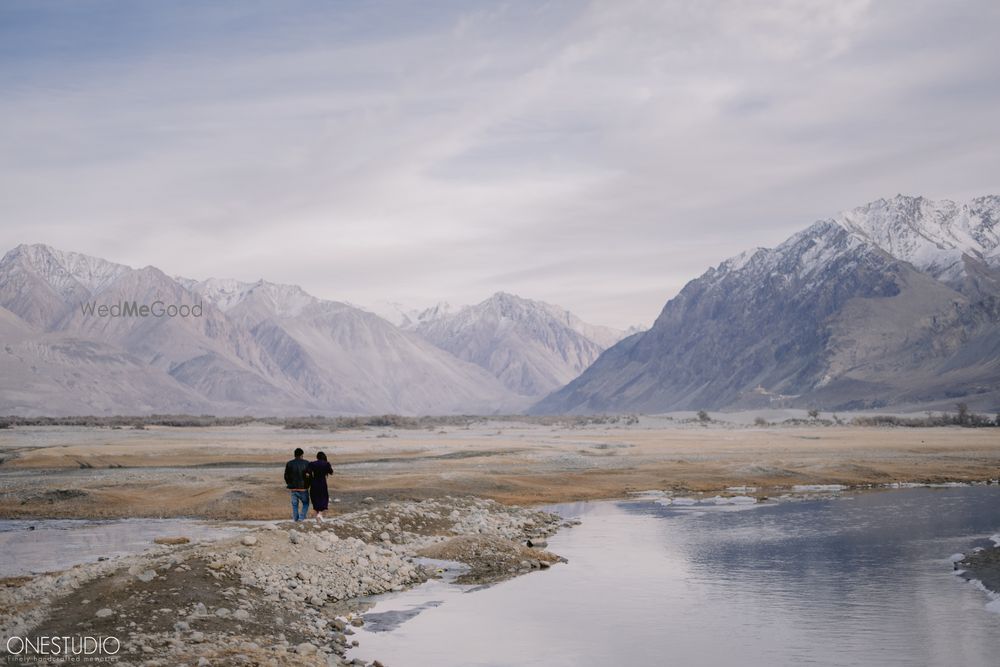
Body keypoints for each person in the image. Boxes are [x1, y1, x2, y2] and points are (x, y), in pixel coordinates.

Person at [284, 448, 312, 522]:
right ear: (302, 455)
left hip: (293, 488)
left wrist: (289, 484)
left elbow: (286, 476)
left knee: (295, 506)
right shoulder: (306, 463)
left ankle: (296, 520)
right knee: (306, 504)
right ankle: (301, 518)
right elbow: (310, 475)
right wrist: (308, 484)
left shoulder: (289, 463)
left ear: (295, 455)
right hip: (303, 488)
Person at [307, 451, 334, 522]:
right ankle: (320, 514)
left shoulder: (312, 464)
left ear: (317, 457)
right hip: (322, 483)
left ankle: (317, 517)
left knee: (315, 498)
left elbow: (308, 472)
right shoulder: (326, 464)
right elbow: (331, 472)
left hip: (314, 483)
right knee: (323, 498)